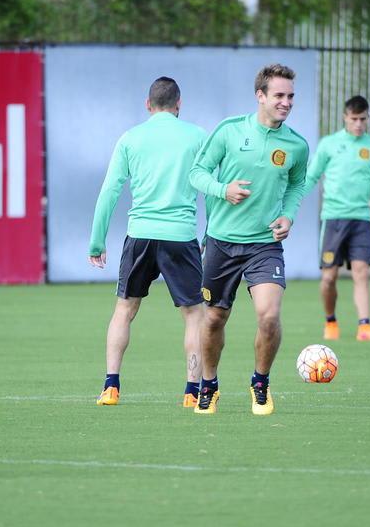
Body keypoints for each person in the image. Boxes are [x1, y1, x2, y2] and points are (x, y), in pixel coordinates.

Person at [188, 63, 309, 415]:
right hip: (221, 243)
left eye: (290, 96)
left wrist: (288, 215)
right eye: (279, 96)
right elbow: (197, 173)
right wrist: (222, 189)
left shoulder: (296, 145)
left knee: (268, 317)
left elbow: (298, 184)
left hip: (264, 245)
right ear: (260, 96)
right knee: (214, 319)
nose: (286, 102)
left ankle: (261, 382)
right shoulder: (229, 132)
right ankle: (208, 384)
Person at [88, 77, 208, 408]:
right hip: (180, 236)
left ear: (148, 105)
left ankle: (111, 386)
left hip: (140, 234)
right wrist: (210, 232)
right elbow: (212, 186)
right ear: (179, 104)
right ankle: (192, 391)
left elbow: (110, 189)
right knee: (194, 315)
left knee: (125, 309)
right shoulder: (197, 137)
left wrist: (97, 241)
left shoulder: (131, 138)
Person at [302, 95, 370, 342]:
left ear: (368, 118)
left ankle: (365, 326)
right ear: (345, 117)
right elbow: (311, 175)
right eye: (354, 119)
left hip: (361, 218)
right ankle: (331, 321)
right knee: (329, 277)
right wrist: (294, 199)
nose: (359, 124)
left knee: (361, 271)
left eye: (363, 119)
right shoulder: (329, 144)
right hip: (334, 219)